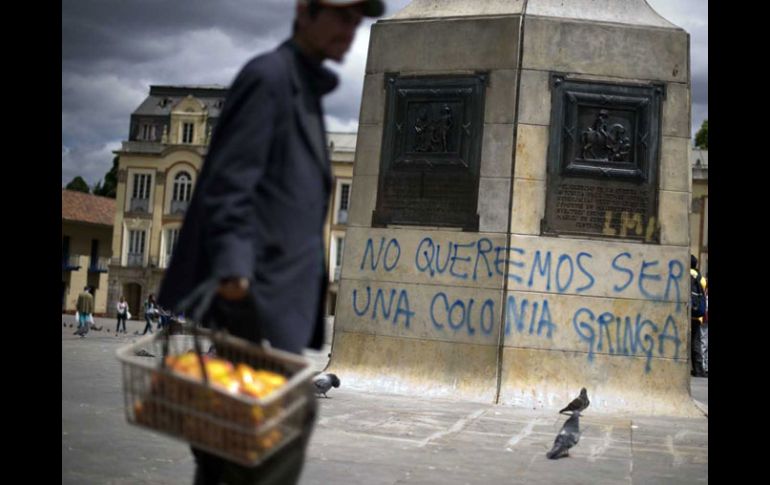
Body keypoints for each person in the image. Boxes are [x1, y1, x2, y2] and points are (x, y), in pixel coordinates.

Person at [157, 1, 385, 483]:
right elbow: (228, 186)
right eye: (340, 15)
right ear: (305, 10)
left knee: (234, 450)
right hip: (251, 309)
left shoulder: (301, 89)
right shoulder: (269, 79)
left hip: (271, 314)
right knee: (270, 441)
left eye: (356, 20)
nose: (349, 29)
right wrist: (236, 280)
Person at [690, 255, 707, 378]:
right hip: (697, 316)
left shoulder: (685, 274)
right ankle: (698, 369)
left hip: (687, 314)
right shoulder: (701, 278)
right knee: (696, 343)